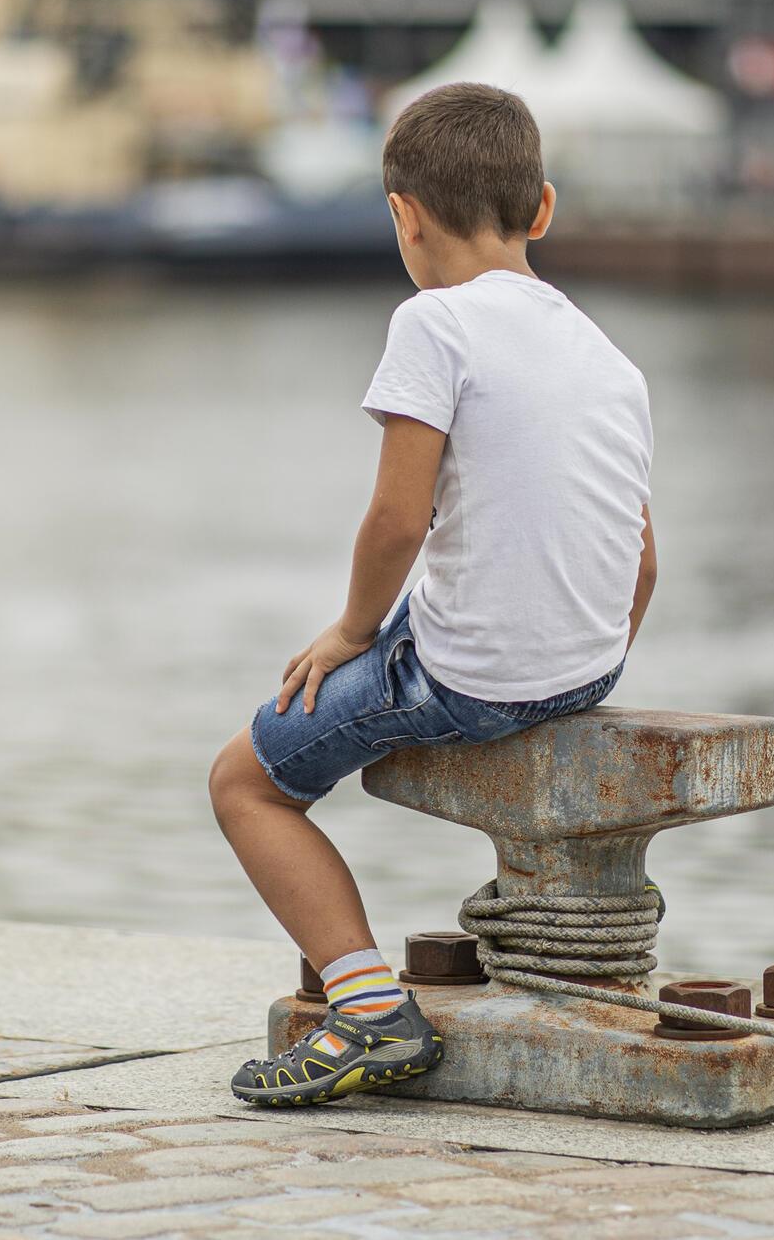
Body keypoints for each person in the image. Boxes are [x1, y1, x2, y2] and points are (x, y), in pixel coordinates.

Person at [206, 83, 658, 1107]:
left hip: (471, 675)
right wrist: (577, 664)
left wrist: (350, 632)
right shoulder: (610, 359)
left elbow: (398, 524)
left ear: (403, 216)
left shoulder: (433, 323)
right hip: (591, 662)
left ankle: (366, 1011)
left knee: (245, 781)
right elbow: (643, 562)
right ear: (542, 208)